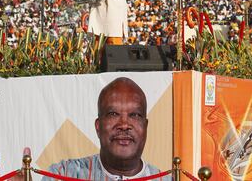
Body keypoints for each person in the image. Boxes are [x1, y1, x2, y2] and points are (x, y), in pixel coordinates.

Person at [14, 77, 170, 180]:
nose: (124, 125)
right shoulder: (63, 175)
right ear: (98, 126)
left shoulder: (167, 179)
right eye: (113, 114)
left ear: (146, 127)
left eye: (134, 115)